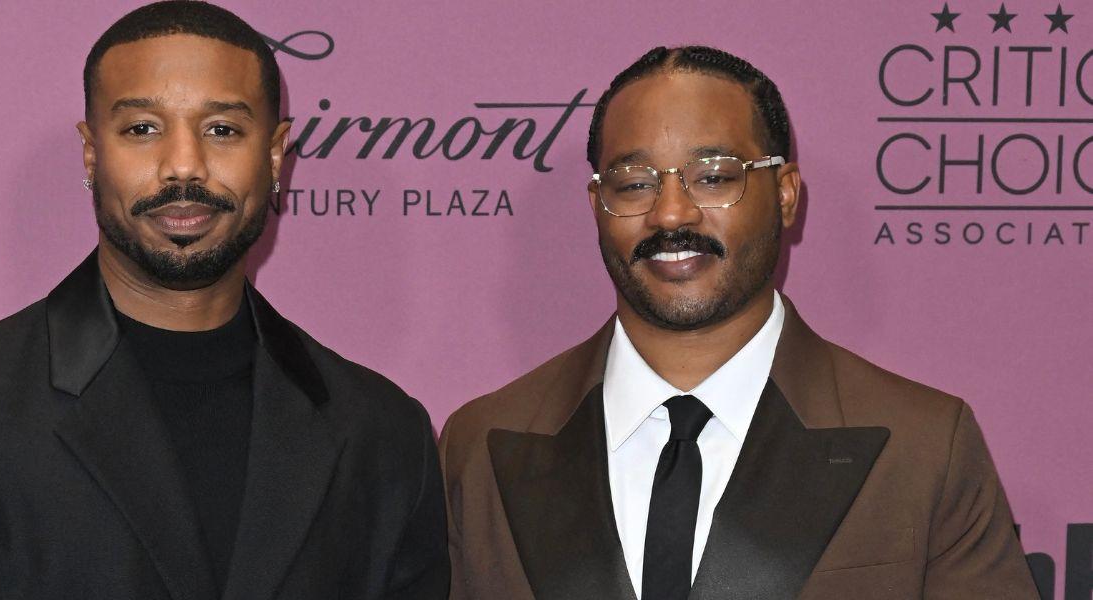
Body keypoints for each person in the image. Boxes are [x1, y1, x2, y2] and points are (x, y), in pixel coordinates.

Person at [0, 2, 447, 598]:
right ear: (90, 152)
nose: (183, 165)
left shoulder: (385, 433)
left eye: (222, 130)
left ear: (273, 153)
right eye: (142, 129)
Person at [440, 45, 1038, 600]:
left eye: (715, 176)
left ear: (784, 193)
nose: (671, 212)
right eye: (634, 183)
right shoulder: (481, 443)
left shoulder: (925, 445)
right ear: (596, 203)